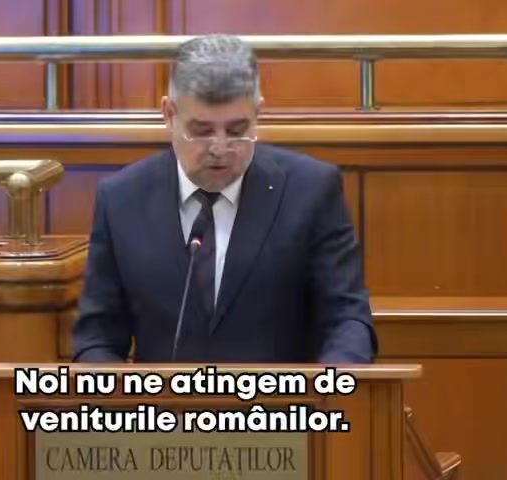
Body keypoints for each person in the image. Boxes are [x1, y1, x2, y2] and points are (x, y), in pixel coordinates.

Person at [71, 34, 377, 363]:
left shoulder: (311, 190)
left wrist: (331, 383)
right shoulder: (122, 199)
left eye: (236, 130)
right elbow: (96, 337)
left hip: (283, 397)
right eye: (201, 131)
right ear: (168, 114)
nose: (219, 148)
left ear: (258, 113)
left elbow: (348, 319)